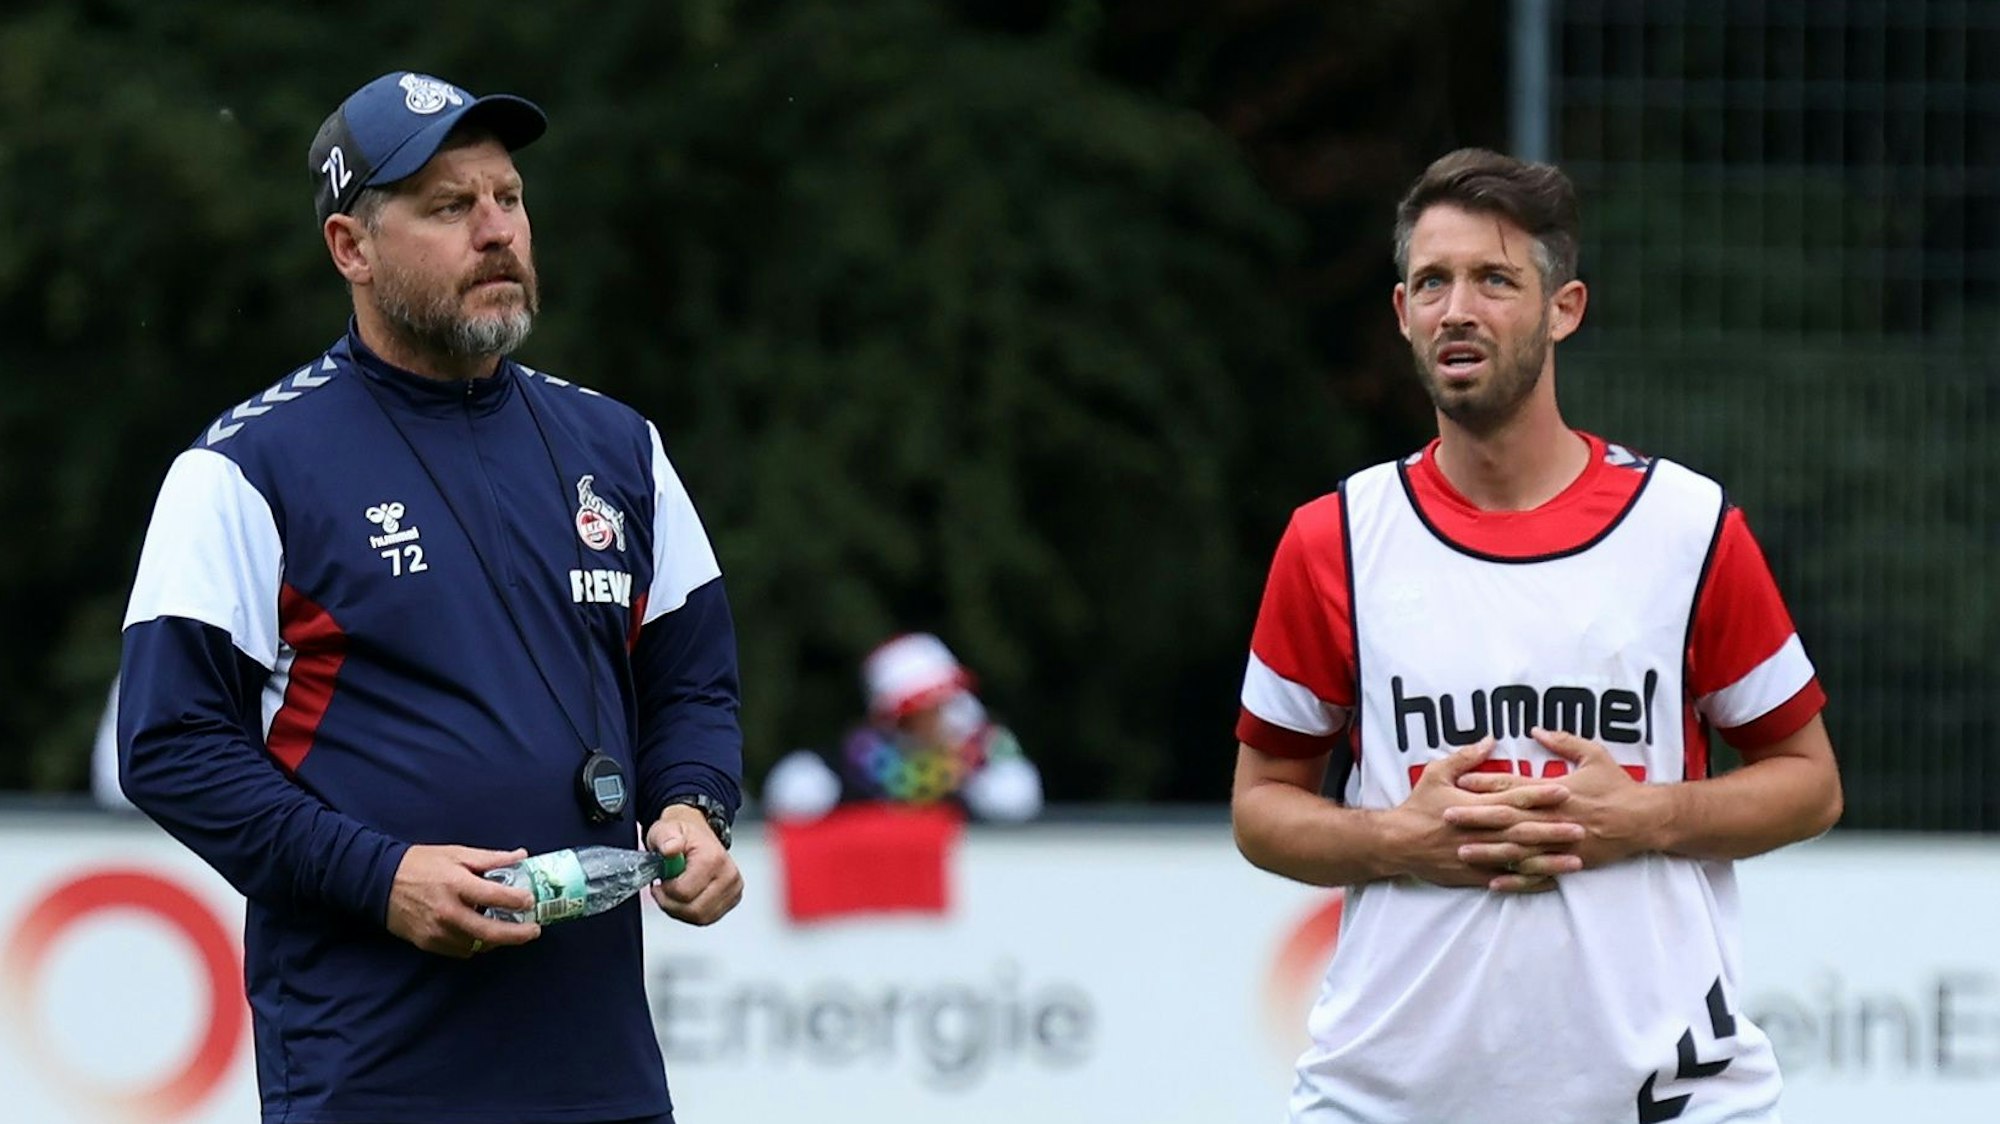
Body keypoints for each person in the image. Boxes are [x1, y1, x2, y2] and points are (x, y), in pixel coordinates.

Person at [117, 71, 743, 1124]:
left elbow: (691, 683)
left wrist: (693, 803)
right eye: (450, 206)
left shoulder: (619, 447)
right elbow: (171, 745)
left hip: (598, 1074)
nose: (496, 231)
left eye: (509, 198)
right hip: (372, 1072)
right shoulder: (246, 466)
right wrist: (380, 876)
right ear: (349, 248)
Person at [1230, 148, 1842, 1124]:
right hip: (1387, 1099)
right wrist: (1398, 838)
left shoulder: (1684, 527)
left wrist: (1643, 817)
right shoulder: (1332, 538)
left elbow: (1809, 783)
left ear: (1564, 309)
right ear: (1401, 313)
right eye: (1432, 282)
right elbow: (1261, 806)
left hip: (1665, 1097)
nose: (1456, 309)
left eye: (1494, 280)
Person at [762, 632, 1042, 823]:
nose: (940, 717)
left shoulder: (984, 753)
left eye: (945, 701)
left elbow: (1017, 800)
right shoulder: (856, 764)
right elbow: (793, 795)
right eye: (924, 708)